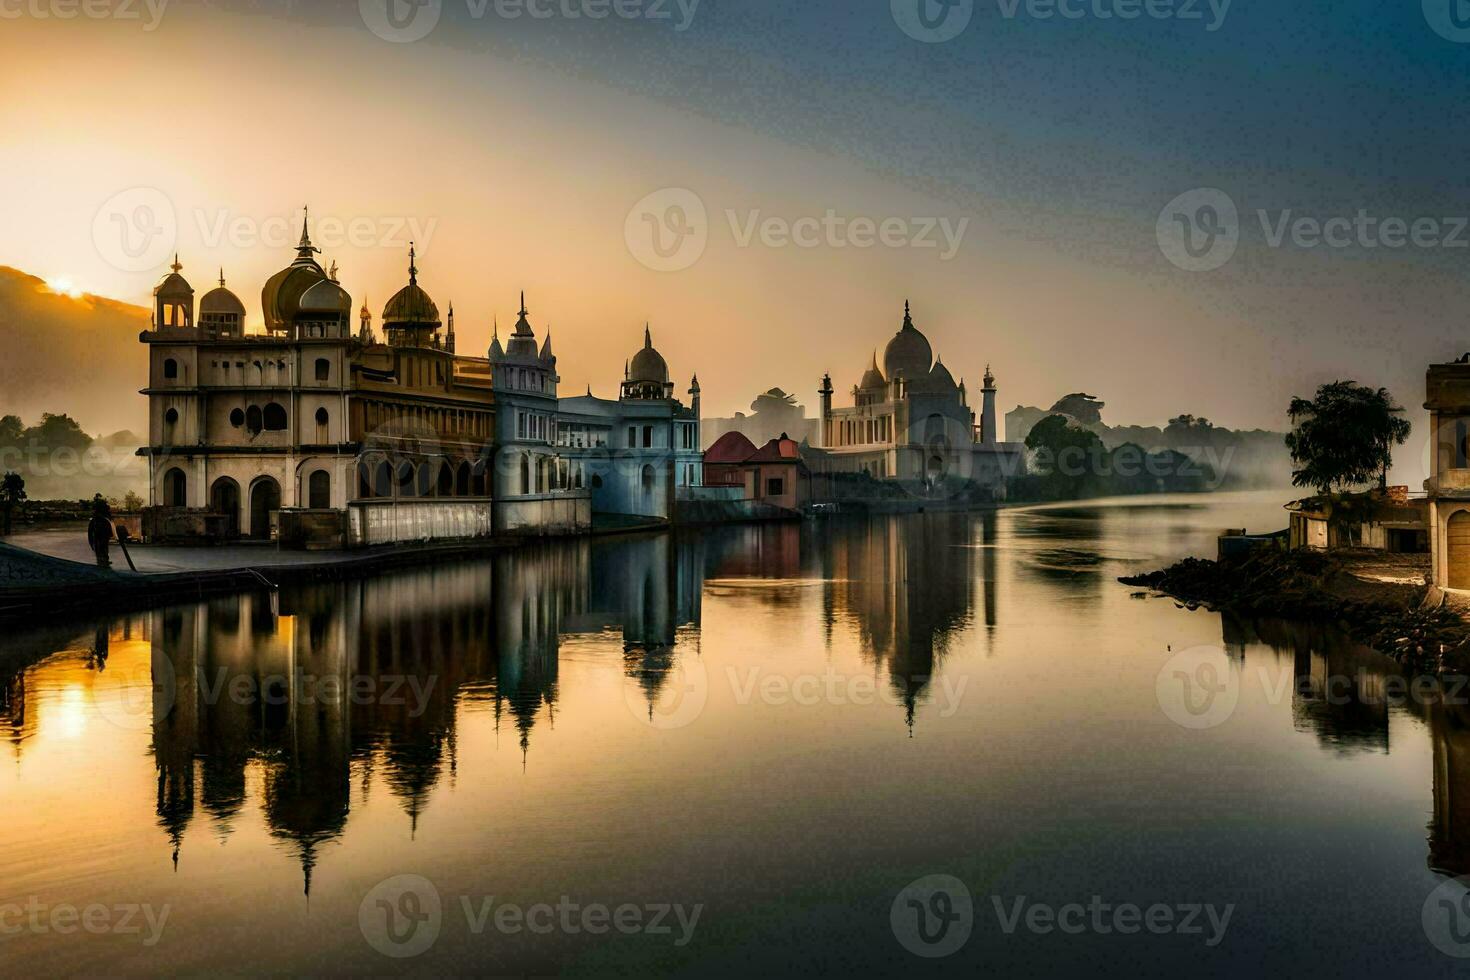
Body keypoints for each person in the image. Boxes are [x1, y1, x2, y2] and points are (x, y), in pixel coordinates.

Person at [86, 495, 114, 569]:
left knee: (101, 556)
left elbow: (90, 535)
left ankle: (103, 564)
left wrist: (92, 544)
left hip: (98, 543)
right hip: (101, 543)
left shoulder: (94, 521)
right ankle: (104, 564)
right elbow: (110, 534)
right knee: (102, 555)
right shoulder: (104, 521)